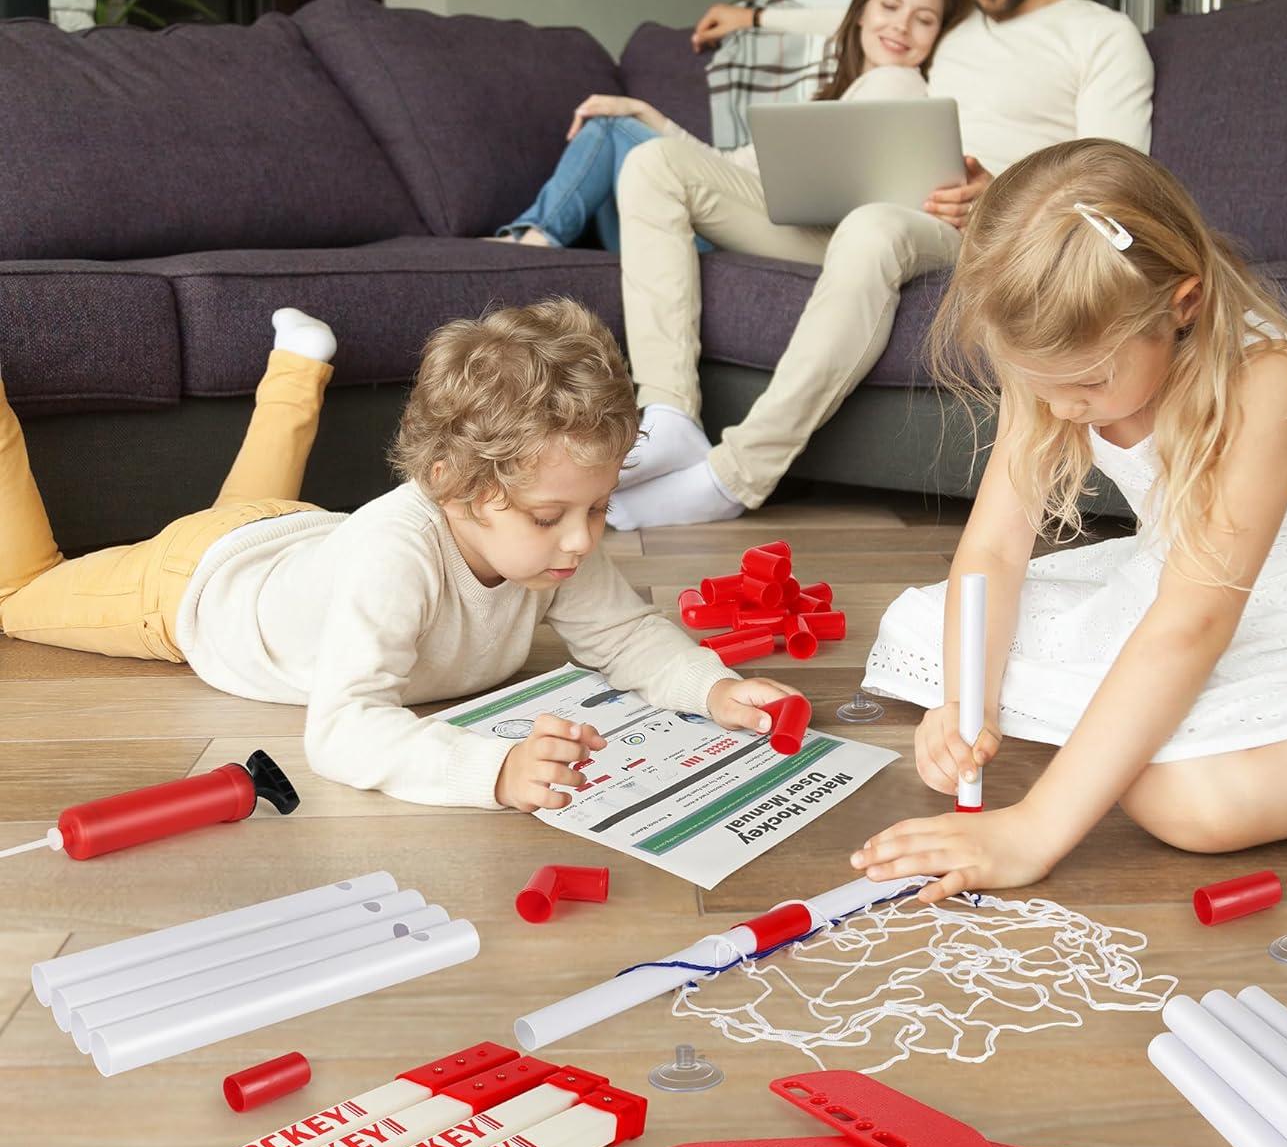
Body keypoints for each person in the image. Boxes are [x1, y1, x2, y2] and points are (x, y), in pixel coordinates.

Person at [851, 138, 1287, 902]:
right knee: (934, 635)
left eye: (1087, 382)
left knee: (1187, 802)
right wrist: (967, 703)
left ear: (1181, 306)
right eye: (1038, 382)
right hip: (1186, 584)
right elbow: (992, 550)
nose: (1060, 408)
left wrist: (1034, 828)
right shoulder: (1060, 356)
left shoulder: (1267, 382)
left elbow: (1192, 624)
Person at [0, 302, 795, 810]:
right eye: (553, 515)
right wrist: (492, 771)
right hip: (189, 589)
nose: (584, 539)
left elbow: (626, 637)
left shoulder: (552, 543)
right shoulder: (397, 555)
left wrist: (713, 687)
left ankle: (297, 367)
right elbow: (342, 730)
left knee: (239, 507)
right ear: (450, 484)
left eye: (600, 506)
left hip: (294, 532)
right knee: (19, 592)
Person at [607, 0, 1154, 531]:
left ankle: (736, 473)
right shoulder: (949, 27)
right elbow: (859, 14)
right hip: (875, 208)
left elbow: (1116, 182)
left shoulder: (1100, 34)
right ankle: (667, 416)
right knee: (656, 164)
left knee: (872, 228)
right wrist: (752, 17)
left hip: (982, 230)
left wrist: (999, 194)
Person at [492, 0, 951, 251]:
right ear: (861, 11)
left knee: (610, 126)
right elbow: (727, 165)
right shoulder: (839, 95)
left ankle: (533, 239)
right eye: (890, 7)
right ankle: (537, 238)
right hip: (715, 210)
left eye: (924, 19)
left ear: (939, 35)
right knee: (616, 128)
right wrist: (648, 112)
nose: (900, 28)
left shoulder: (899, 84)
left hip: (739, 228)